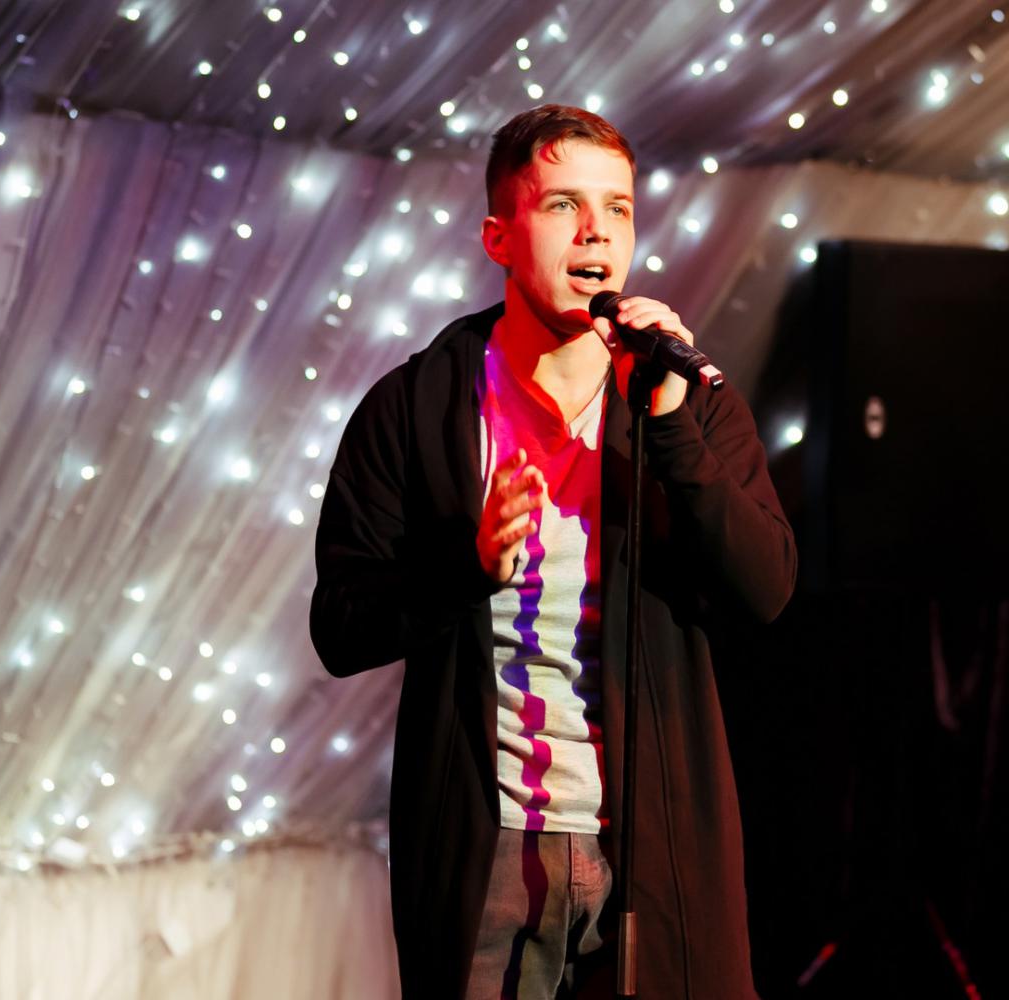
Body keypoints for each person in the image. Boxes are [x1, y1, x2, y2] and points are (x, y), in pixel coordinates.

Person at [310, 104, 795, 999]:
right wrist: (468, 564)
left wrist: (672, 428)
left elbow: (766, 587)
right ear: (499, 236)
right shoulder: (417, 409)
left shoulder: (688, 400)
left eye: (617, 209)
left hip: (656, 843)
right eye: (563, 205)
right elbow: (340, 627)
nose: (595, 231)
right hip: (489, 849)